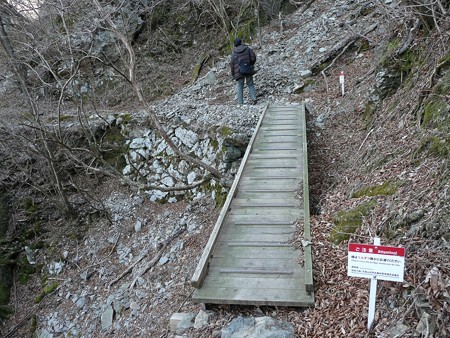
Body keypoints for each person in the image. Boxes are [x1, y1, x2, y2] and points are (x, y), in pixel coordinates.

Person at [230, 38, 257, 105]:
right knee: (250, 84)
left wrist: (233, 74)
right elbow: (253, 57)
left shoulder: (234, 53)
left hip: (239, 72)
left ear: (235, 45)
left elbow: (232, 64)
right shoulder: (247, 49)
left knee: (240, 86)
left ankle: (241, 103)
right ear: (241, 42)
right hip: (248, 69)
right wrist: (250, 64)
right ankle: (254, 98)